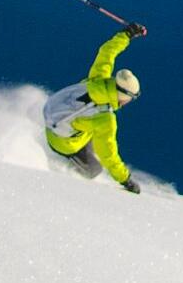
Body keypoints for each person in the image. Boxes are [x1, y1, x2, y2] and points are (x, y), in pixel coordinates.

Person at [43, 22, 146, 193]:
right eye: (131, 98)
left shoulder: (98, 78)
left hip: (57, 119)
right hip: (61, 143)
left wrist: (127, 34)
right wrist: (125, 180)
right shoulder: (105, 119)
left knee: (92, 134)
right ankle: (59, 169)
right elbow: (109, 154)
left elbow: (107, 52)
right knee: (94, 169)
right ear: (123, 95)